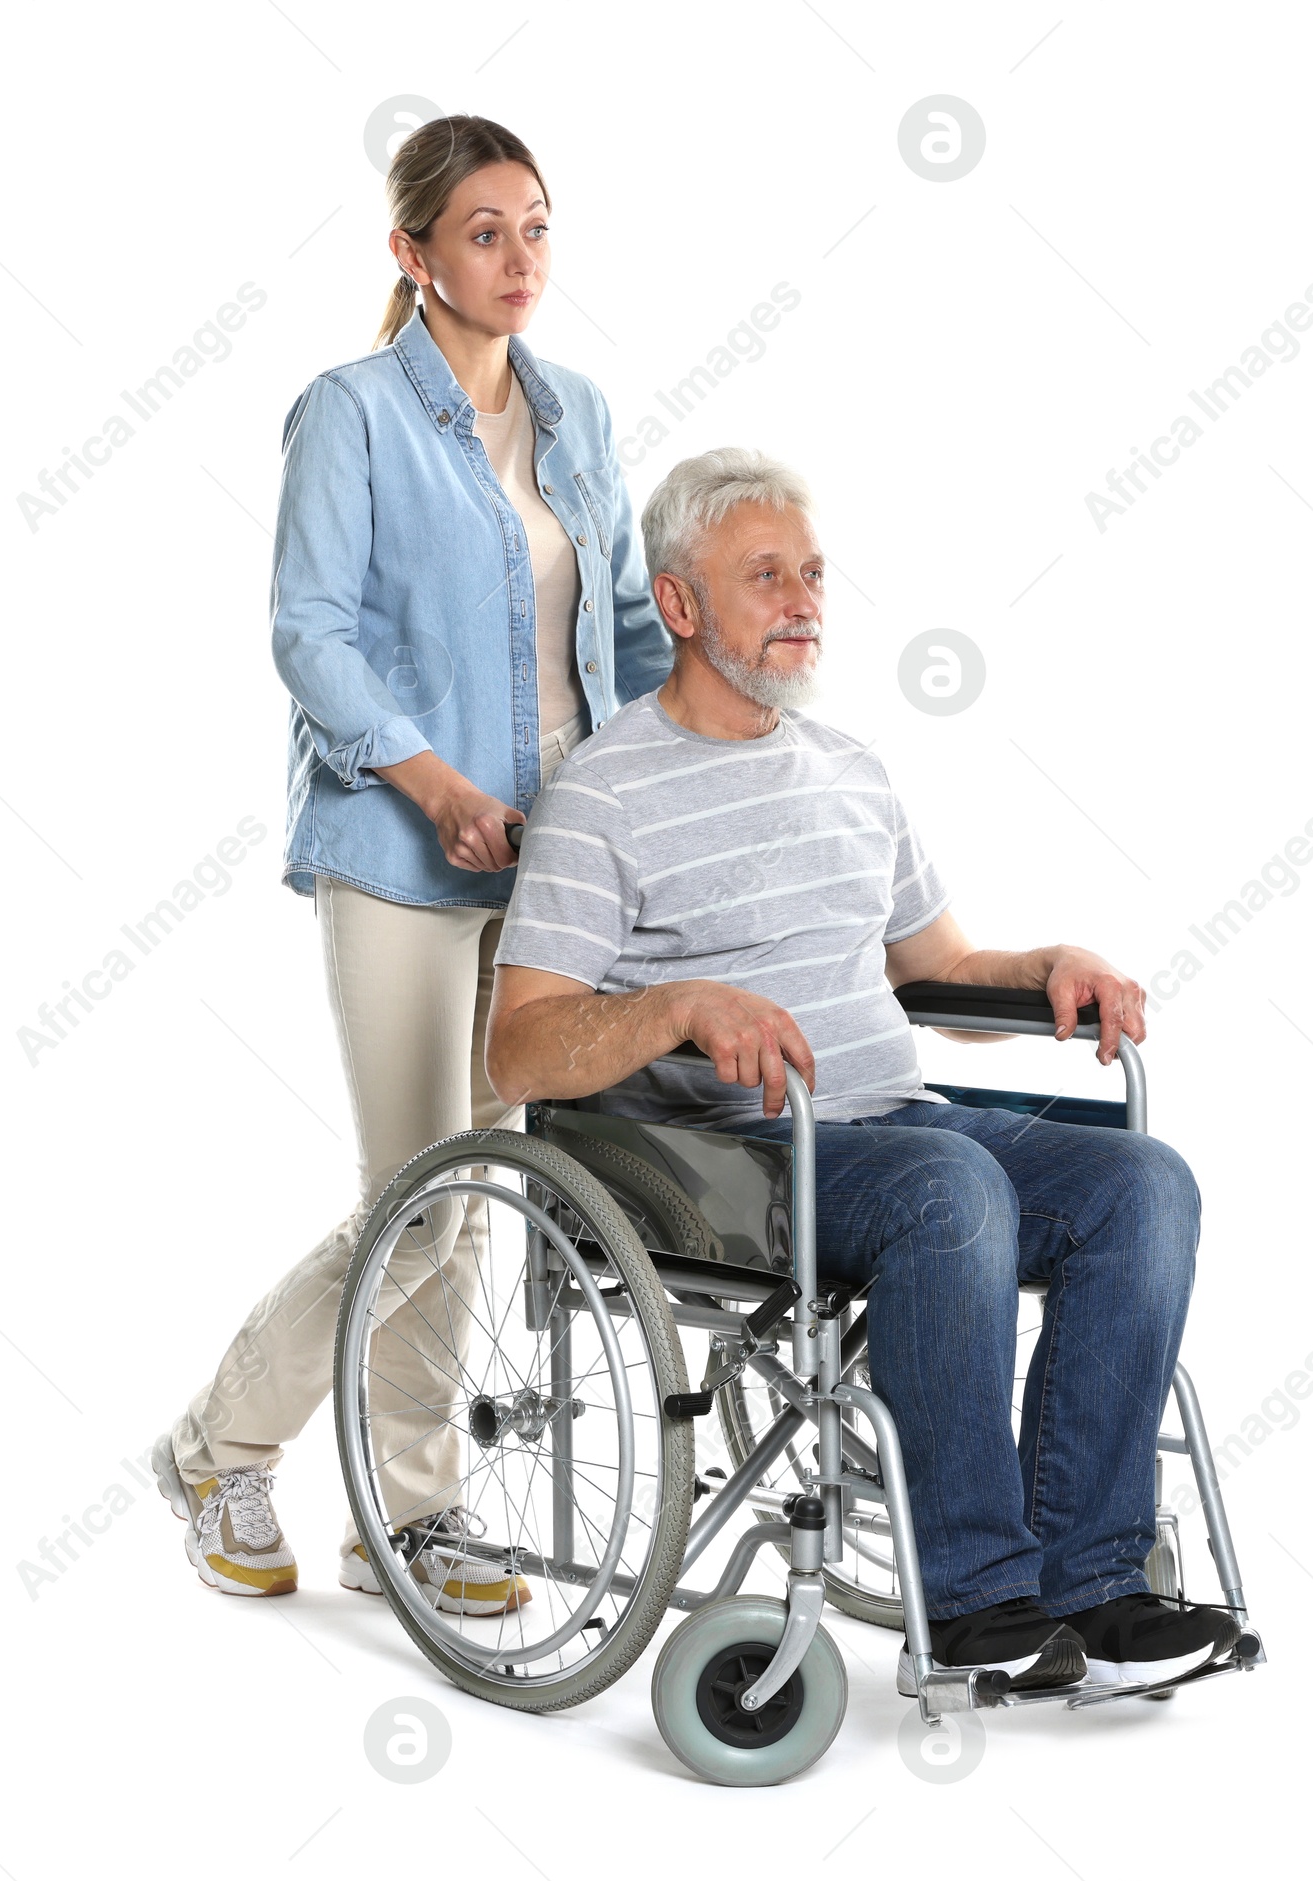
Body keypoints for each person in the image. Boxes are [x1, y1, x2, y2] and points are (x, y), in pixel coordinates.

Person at [484, 447, 1243, 1689]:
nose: (802, 603)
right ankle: (978, 1602)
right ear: (676, 605)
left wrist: (1046, 965)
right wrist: (675, 1006)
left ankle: (1094, 1583)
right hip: (729, 1157)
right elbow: (520, 1041)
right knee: (951, 1190)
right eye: (765, 576)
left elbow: (934, 968)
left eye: (814, 576)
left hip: (899, 1118)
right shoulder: (604, 796)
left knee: (1142, 1182)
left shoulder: (851, 770)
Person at [151, 116, 671, 1606]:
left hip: (556, 861)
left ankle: (414, 1517)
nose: (520, 259)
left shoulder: (576, 414)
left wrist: (678, 785)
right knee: (426, 1196)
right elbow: (309, 630)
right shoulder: (353, 412)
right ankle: (216, 1445)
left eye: (538, 226)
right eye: (486, 232)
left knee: (492, 1184)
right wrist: (434, 781)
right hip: (399, 848)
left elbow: (627, 626)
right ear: (414, 255)